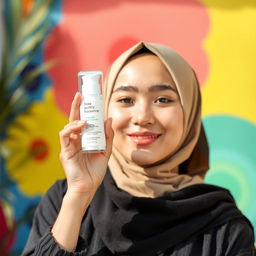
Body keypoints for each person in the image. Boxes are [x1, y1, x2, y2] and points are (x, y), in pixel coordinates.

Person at [22, 41, 255, 255]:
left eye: (163, 99)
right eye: (126, 100)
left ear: (190, 111)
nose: (142, 117)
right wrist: (79, 195)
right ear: (105, 110)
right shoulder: (64, 199)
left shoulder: (223, 226)